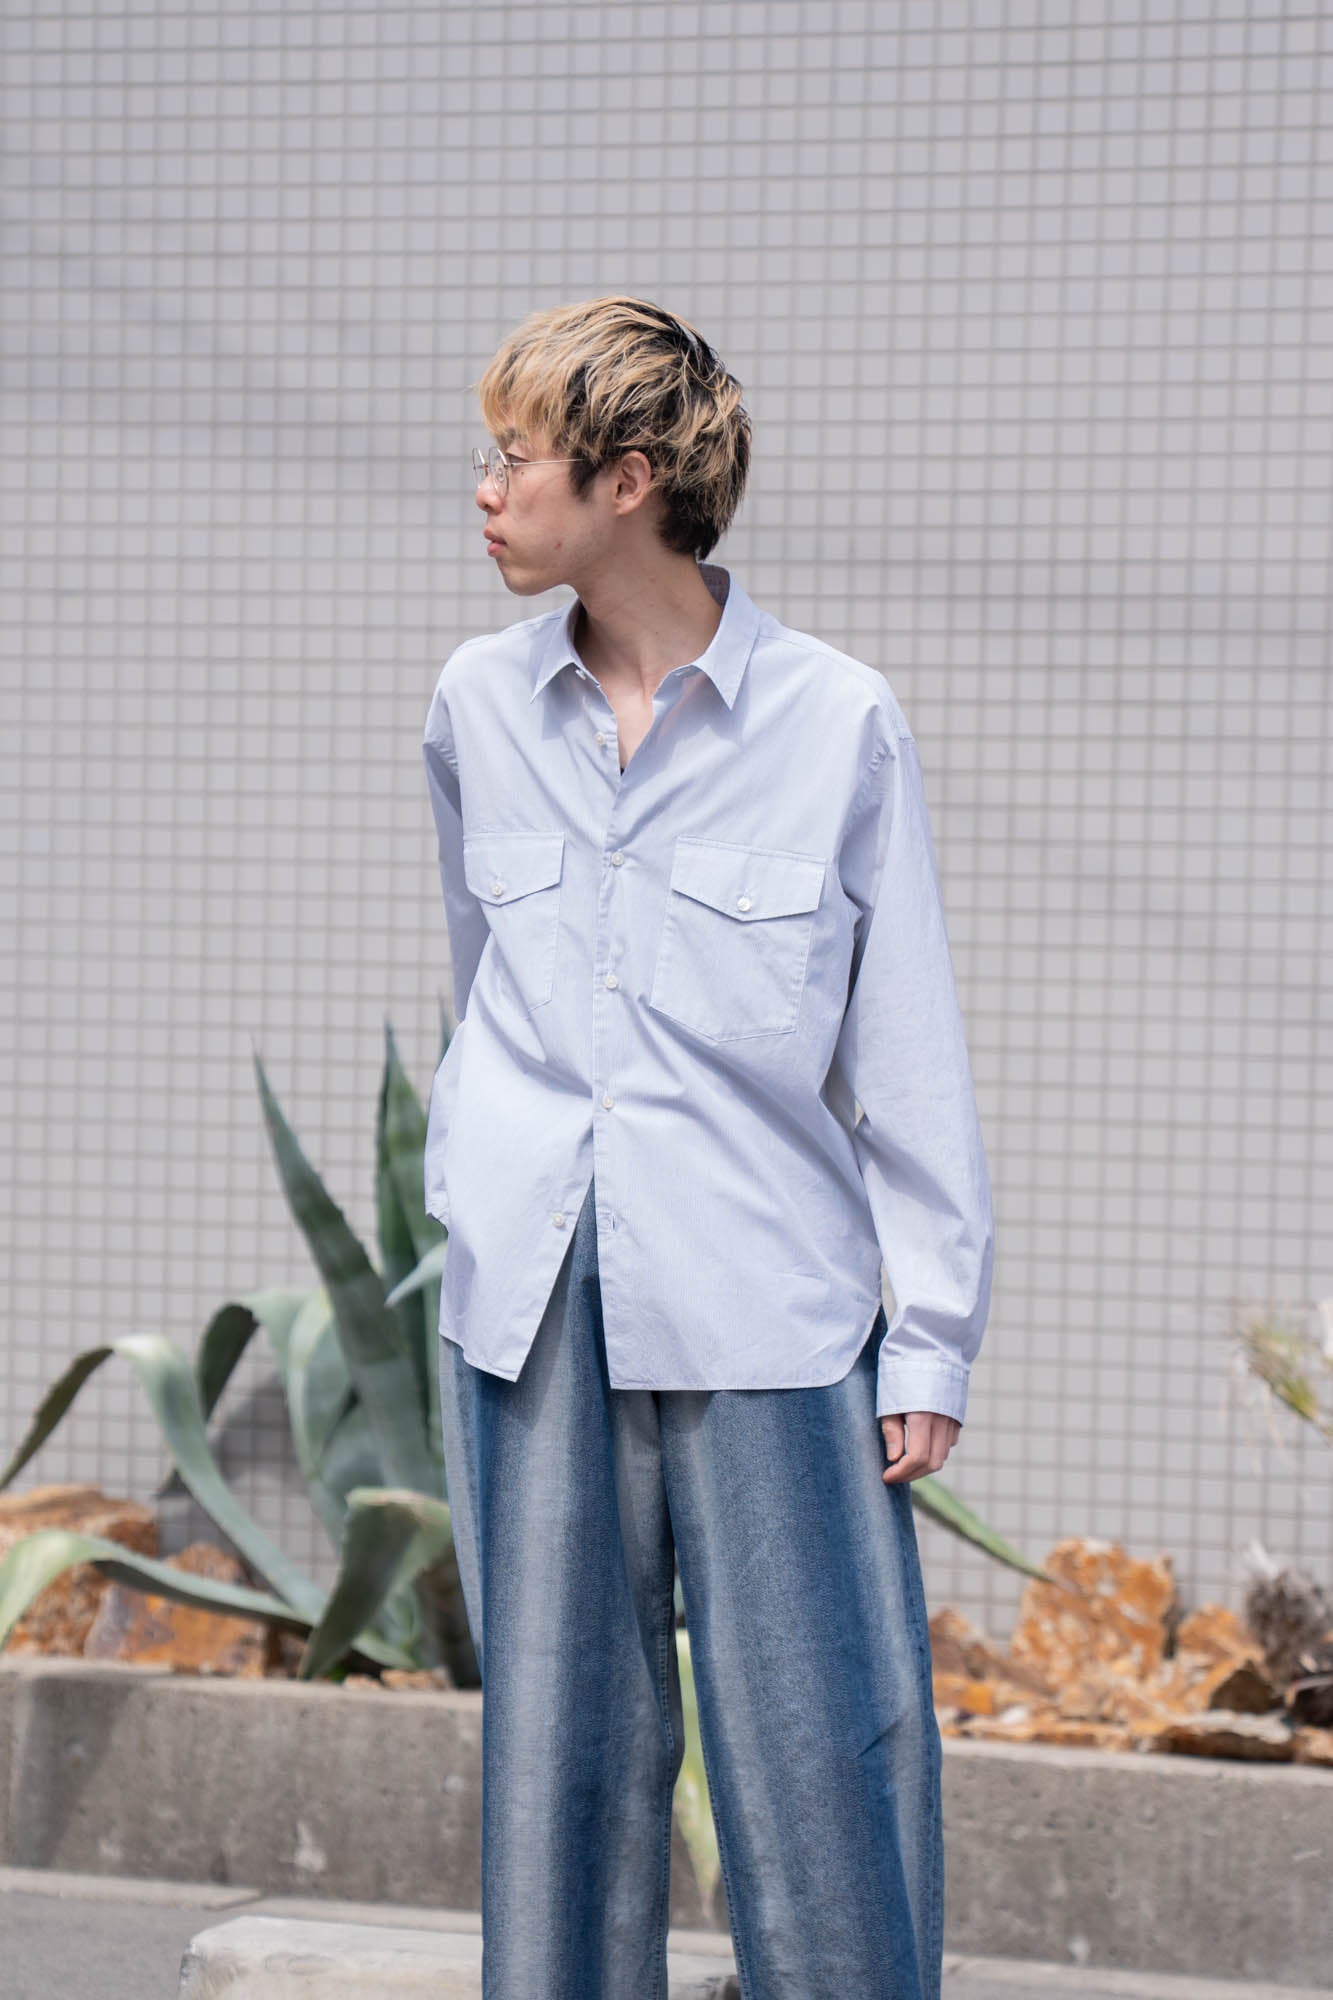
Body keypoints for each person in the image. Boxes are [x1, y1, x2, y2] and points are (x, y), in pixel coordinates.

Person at [420, 294, 994, 2000]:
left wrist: (929, 1334)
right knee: (556, 1767)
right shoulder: (475, 705)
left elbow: (906, 1048)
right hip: (534, 1301)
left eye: (516, 455)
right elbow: (480, 990)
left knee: (827, 1755)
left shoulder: (835, 720)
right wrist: (474, 1193)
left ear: (629, 480)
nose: (485, 488)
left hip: (768, 1305)